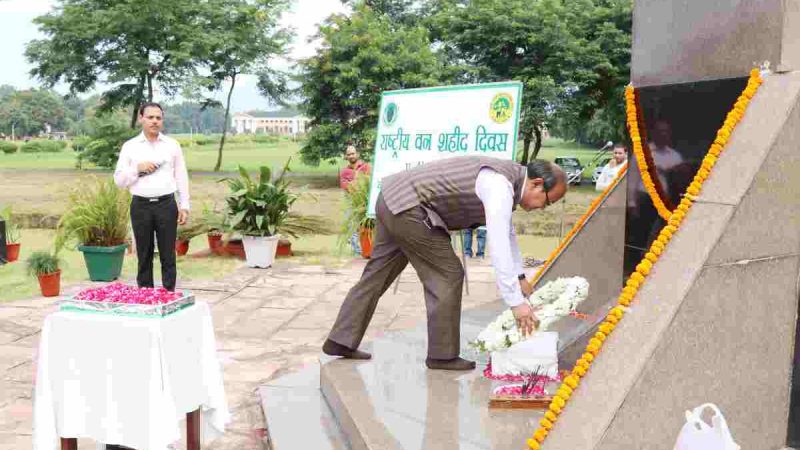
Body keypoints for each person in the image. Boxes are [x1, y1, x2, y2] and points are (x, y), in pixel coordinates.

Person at [322, 156, 567, 371]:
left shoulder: (507, 181)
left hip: (392, 198)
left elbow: (508, 233)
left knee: (376, 275)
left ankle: (341, 340)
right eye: (547, 201)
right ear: (536, 183)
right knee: (447, 274)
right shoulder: (500, 185)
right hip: (410, 208)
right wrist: (515, 303)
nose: (542, 208)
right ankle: (442, 355)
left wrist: (520, 278)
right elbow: (499, 243)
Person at [113, 102, 190, 292]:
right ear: (141, 119)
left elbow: (181, 175)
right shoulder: (130, 147)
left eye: (158, 118)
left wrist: (185, 204)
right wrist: (137, 169)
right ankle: (146, 296)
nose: (155, 121)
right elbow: (119, 180)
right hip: (141, 206)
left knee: (168, 254)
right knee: (144, 254)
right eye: (150, 117)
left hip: (167, 204)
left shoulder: (172, 145)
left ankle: (169, 294)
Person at [339, 144, 371, 255]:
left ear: (357, 154)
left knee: (366, 226)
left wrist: (353, 182)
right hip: (352, 203)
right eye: (349, 154)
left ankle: (368, 248)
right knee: (352, 225)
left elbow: (369, 183)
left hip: (366, 203)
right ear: (346, 157)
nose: (351, 156)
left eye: (353, 153)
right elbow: (346, 187)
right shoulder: (344, 172)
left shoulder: (366, 167)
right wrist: (358, 180)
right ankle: (357, 251)